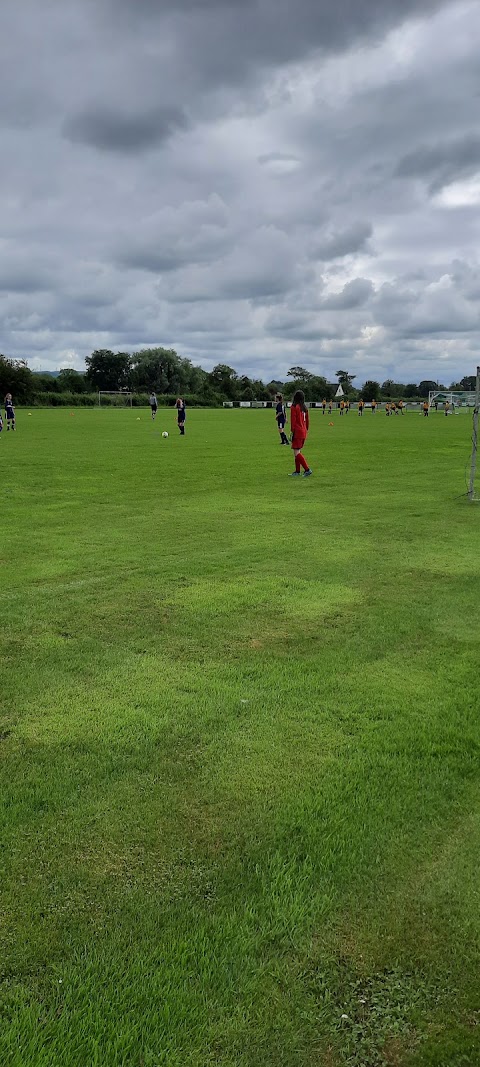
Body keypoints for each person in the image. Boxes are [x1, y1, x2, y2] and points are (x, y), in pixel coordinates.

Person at [289, 390, 312, 477]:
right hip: (303, 431)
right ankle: (297, 471)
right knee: (297, 450)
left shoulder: (294, 407)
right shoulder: (304, 408)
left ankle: (307, 469)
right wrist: (306, 430)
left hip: (298, 431)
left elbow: (293, 421)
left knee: (296, 452)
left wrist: (292, 431)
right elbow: (307, 421)